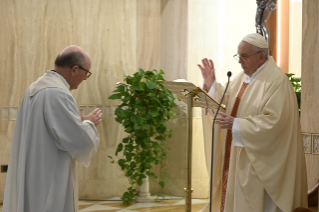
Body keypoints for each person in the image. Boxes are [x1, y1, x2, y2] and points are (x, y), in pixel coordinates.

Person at [198, 33, 308, 212]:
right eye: (238, 56)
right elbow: (225, 104)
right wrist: (211, 86)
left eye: (244, 57)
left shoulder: (276, 81)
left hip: (260, 164)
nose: (240, 61)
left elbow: (276, 122)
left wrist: (238, 125)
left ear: (261, 57)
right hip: (236, 157)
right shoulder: (242, 78)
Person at [3, 46, 102, 212]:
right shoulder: (59, 94)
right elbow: (79, 141)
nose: (85, 79)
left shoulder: (34, 88)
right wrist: (89, 123)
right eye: (86, 73)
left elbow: (51, 130)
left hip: (33, 173)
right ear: (74, 69)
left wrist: (78, 122)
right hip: (49, 176)